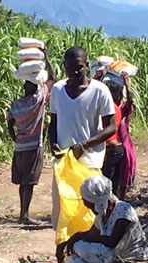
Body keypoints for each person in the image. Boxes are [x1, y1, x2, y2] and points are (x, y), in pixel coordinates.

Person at [49, 46, 117, 232]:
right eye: (69, 66)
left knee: (90, 212)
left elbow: (112, 127)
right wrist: (52, 142)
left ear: (87, 64)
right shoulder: (57, 90)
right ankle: (65, 252)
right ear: (64, 66)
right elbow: (53, 122)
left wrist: (83, 145)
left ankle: (91, 251)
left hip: (90, 161)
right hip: (64, 163)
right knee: (63, 210)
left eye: (79, 66)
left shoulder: (99, 91)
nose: (74, 70)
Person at [57, 174, 148, 263]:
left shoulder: (124, 210)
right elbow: (91, 233)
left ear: (96, 201)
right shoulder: (102, 216)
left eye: (89, 204)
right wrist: (69, 241)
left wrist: (86, 239)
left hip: (138, 262)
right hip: (117, 260)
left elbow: (112, 241)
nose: (88, 207)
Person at [7, 47, 56, 224]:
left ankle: (23, 213)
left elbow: (9, 124)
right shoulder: (38, 99)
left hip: (19, 147)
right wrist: (47, 56)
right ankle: (25, 215)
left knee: (22, 183)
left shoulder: (16, 105)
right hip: (34, 147)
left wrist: (15, 138)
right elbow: (52, 78)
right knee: (30, 182)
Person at [101, 80, 125, 196]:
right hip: (116, 148)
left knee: (106, 184)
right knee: (114, 185)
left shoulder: (110, 108)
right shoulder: (116, 107)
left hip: (110, 147)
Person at [117, 73, 137, 201]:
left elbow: (130, 100)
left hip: (124, 146)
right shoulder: (108, 107)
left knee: (123, 179)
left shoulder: (123, 109)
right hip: (116, 146)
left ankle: (121, 203)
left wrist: (127, 83)